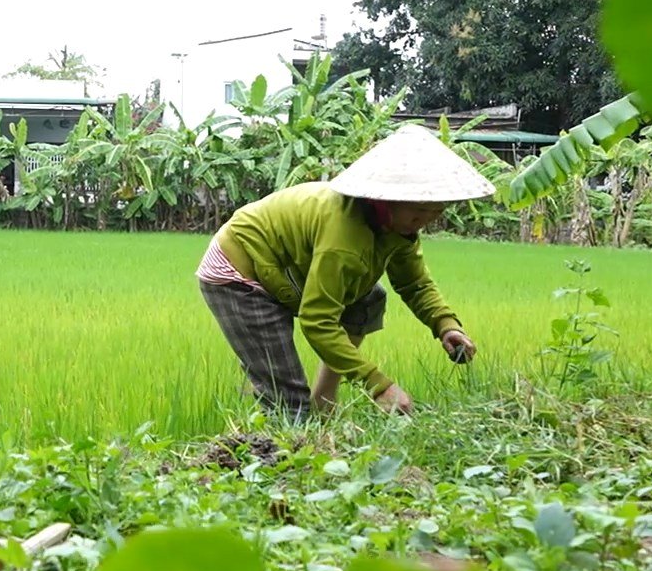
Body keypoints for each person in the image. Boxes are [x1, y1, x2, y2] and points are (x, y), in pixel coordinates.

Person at [197, 124, 491, 421]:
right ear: (389, 199)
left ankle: (324, 399)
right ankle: (285, 453)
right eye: (418, 211)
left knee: (369, 298)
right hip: (239, 272)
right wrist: (378, 385)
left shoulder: (398, 227)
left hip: (286, 270)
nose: (424, 221)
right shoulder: (344, 236)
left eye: (435, 212)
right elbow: (318, 320)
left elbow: (414, 283)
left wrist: (446, 325)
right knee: (289, 403)